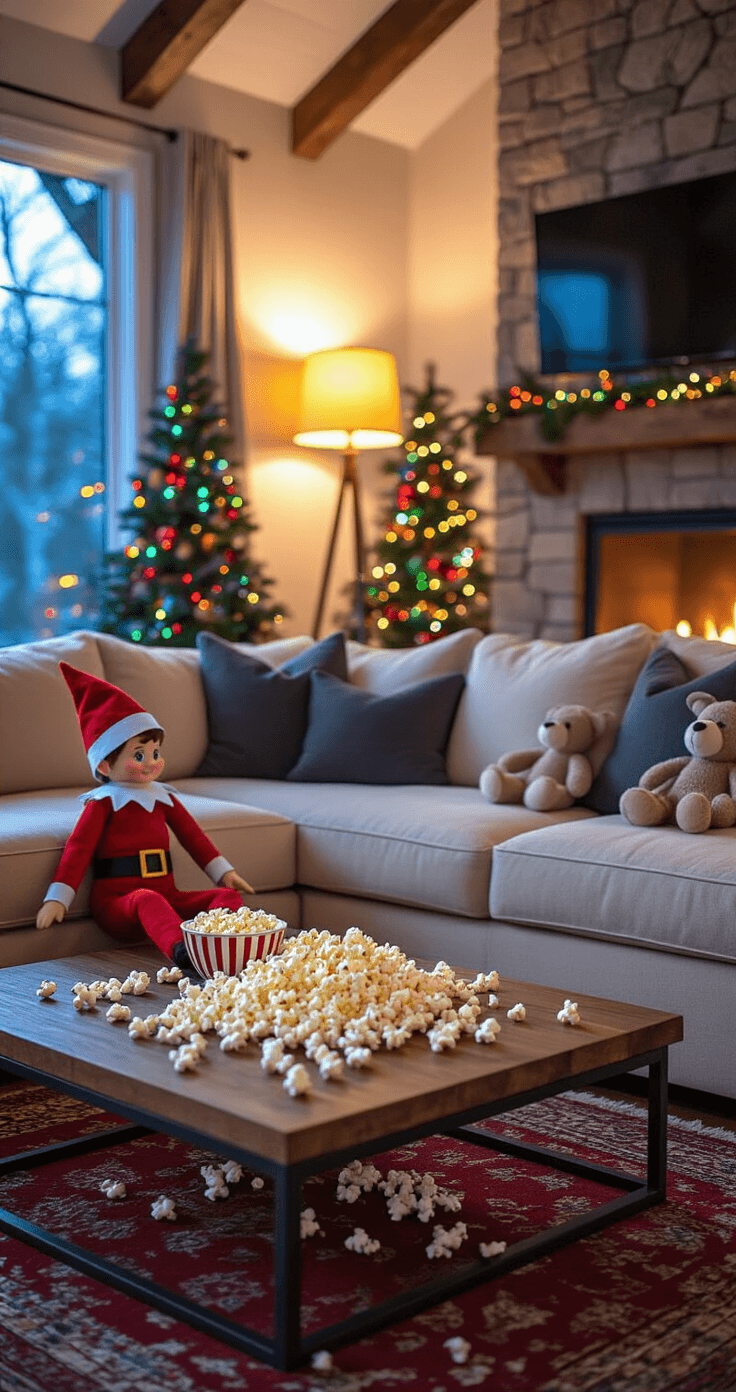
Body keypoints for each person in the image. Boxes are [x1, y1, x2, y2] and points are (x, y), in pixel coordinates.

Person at [36, 662, 253, 970]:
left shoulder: (162, 797)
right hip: (118, 904)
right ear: (105, 766)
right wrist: (58, 898)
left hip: (168, 896)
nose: (152, 762)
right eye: (139, 755)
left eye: (155, 753)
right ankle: (183, 953)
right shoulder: (103, 803)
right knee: (147, 899)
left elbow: (193, 837)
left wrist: (224, 873)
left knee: (225, 896)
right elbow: (79, 848)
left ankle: (226, 940)